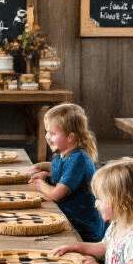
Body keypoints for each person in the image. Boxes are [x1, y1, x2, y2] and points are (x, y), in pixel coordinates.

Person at [28, 102, 104, 241]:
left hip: (81, 229)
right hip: (67, 218)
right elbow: (60, 171)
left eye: (52, 134)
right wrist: (44, 170)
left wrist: (41, 185)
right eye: (46, 133)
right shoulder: (61, 154)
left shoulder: (78, 159)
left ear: (70, 137)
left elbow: (57, 194)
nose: (47, 137)